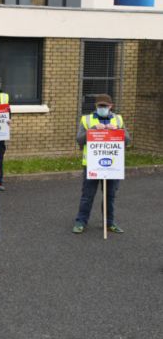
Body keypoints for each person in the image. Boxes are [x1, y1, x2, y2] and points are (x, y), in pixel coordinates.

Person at [73, 94, 131, 234]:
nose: (102, 108)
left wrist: (117, 130)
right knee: (87, 195)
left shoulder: (118, 119)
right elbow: (79, 139)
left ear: (111, 106)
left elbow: (127, 140)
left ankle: (109, 223)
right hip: (92, 165)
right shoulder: (87, 120)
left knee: (110, 196)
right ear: (96, 106)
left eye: (105, 106)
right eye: (100, 106)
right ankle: (81, 222)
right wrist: (92, 129)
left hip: (112, 166)